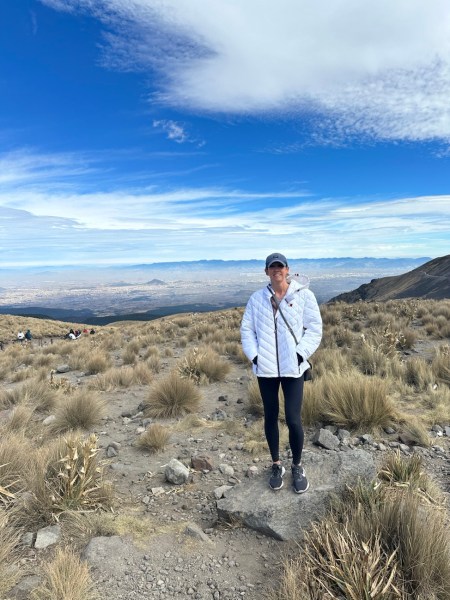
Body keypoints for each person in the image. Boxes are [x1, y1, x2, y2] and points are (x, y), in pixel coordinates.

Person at [241, 252, 322, 494]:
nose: (276, 270)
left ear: (287, 269)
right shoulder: (257, 299)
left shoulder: (304, 296)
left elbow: (315, 328)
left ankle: (297, 466)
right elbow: (247, 330)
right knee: (270, 416)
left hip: (293, 368)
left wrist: (300, 354)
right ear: (266, 271)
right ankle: (276, 464)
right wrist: (255, 356)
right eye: (272, 266)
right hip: (265, 369)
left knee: (294, 418)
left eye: (280, 266)